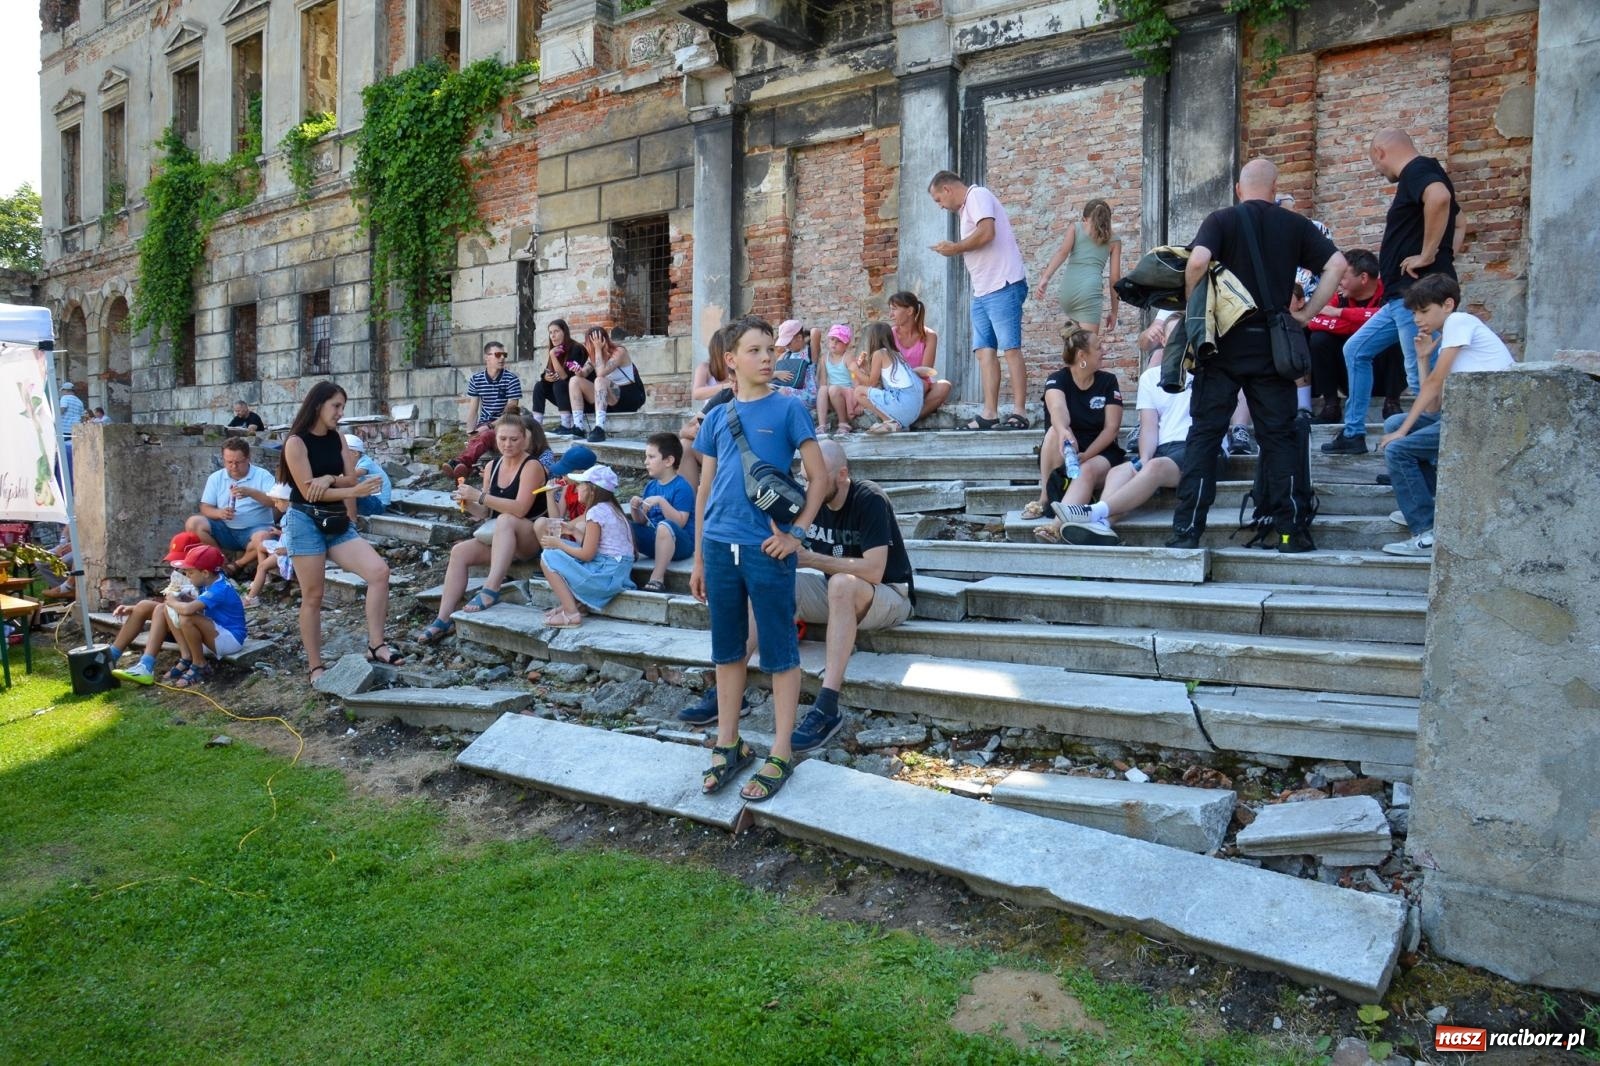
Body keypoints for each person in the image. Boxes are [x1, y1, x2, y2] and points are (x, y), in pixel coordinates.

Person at [1170, 158, 1347, 552]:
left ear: (1238, 189)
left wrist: (1192, 309)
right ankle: (1289, 532)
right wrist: (1305, 315)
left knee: (1204, 436)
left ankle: (1186, 533)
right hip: (1273, 347)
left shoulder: (1221, 219)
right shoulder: (1295, 224)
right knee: (1279, 438)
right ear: (1274, 187)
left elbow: (1197, 261)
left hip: (1222, 347)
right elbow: (1338, 264)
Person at [690, 315, 830, 803]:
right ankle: (728, 744)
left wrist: (796, 535)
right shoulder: (715, 417)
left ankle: (781, 751)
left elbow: (821, 478)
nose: (768, 358)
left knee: (779, 651)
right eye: (756, 350)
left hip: (768, 548)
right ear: (731, 361)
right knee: (727, 651)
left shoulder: (790, 409)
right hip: (718, 546)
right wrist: (700, 558)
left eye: (771, 349)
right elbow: (705, 487)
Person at [1325, 129, 1461, 455]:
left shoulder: (1416, 170)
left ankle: (1419, 454)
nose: (1377, 170)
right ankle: (1354, 433)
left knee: (1419, 376)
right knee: (1356, 350)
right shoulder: (1427, 171)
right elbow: (1461, 221)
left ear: (1380, 152)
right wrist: (1445, 256)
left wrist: (1429, 255)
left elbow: (1440, 199)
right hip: (1399, 299)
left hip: (1414, 298)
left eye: (1374, 162)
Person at [1377, 274, 1513, 557]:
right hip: (1462, 415)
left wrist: (1402, 434)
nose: (1417, 319)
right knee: (1394, 422)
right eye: (1414, 312)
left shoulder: (1459, 322)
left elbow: (1434, 385)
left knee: (1399, 447)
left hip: (1485, 419)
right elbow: (1432, 407)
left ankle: (1426, 532)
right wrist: (1424, 357)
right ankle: (1424, 503)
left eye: (1424, 311)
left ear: (1448, 304)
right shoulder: (1450, 336)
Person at [278, 380, 400, 683]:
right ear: (318, 405)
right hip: (305, 520)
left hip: (335, 521)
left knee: (379, 572)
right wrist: (349, 488)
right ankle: (316, 666)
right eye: (336, 406)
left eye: (342, 407)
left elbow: (346, 479)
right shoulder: (296, 442)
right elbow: (308, 494)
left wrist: (331, 479)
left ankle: (376, 645)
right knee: (313, 596)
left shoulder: (338, 439)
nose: (340, 413)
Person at [1049, 317, 1194, 545]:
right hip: (1163, 450)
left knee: (1153, 467)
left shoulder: (1207, 371)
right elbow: (1148, 428)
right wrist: (1144, 458)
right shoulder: (1150, 378)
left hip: (1194, 447)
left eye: (1185, 334)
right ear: (1164, 340)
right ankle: (1102, 526)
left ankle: (1093, 513)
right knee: (1120, 472)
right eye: (1175, 335)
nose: (1181, 340)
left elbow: (1112, 428)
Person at [417, 413, 549, 641]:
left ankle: (491, 589)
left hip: (529, 536)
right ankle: (443, 618)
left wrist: (480, 496)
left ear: (524, 439)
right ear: (495, 439)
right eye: (503, 439)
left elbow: (519, 509)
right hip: (501, 537)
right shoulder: (491, 466)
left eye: (514, 439)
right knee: (459, 551)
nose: (508, 444)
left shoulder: (532, 466)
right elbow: (486, 513)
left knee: (507, 519)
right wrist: (467, 503)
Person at [928, 171, 1029, 430]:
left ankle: (1019, 412)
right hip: (982, 290)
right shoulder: (965, 209)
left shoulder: (977, 195)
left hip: (1003, 284)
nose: (940, 206)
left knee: (1011, 349)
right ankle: (990, 413)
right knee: (984, 352)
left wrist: (955, 248)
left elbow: (987, 233)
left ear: (948, 189)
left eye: (938, 200)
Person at [1022, 327, 1125, 520]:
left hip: (1100, 452)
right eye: (1098, 347)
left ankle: (1064, 515)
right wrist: (1063, 431)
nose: (1104, 350)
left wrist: (1087, 455)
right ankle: (1045, 498)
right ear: (1081, 355)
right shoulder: (1057, 379)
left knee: (1087, 466)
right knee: (1054, 432)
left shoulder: (1108, 381)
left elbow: (1112, 429)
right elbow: (1058, 408)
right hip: (1065, 448)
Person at [111, 544, 247, 687]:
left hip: (229, 640)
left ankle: (199, 664)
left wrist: (173, 601)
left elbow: (189, 610)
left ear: (205, 573)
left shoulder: (219, 588)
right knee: (153, 607)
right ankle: (135, 661)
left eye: (190, 572)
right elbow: (199, 606)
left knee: (185, 616)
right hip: (213, 633)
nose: (186, 575)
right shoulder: (208, 580)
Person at [537, 465, 635, 627]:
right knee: (558, 551)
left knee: (549, 555)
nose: (576, 490)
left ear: (592, 490)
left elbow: (587, 554)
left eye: (580, 486)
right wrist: (573, 531)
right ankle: (576, 604)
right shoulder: (610, 509)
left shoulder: (595, 512)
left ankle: (571, 613)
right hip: (616, 572)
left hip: (606, 576)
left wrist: (558, 543)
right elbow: (596, 546)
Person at [102, 532, 202, 671]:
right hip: (176, 619)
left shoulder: (205, 575)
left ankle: (146, 664)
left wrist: (181, 600)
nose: (178, 566)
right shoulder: (178, 574)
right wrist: (133, 608)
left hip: (194, 626)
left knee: (161, 609)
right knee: (143, 606)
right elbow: (170, 596)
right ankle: (111, 656)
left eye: (181, 560)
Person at [184, 438, 279, 572]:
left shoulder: (262, 475)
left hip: (256, 529)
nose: (233, 467)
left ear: (247, 459)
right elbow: (205, 507)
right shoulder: (216, 477)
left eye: (238, 462)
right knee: (193, 523)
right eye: (229, 462)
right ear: (223, 459)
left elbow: (275, 502)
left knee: (264, 537)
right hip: (226, 529)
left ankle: (237, 565)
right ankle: (220, 561)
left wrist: (251, 492)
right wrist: (219, 513)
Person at [1038, 199, 1121, 338]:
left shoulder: (1075, 227)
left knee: (1074, 348)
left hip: (1068, 290)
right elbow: (1114, 278)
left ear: (1085, 218)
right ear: (1107, 219)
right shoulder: (1115, 240)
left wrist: (1045, 278)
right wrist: (1114, 311)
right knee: (1088, 349)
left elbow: (1062, 253)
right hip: (1089, 293)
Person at [442, 341, 523, 480]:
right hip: (484, 425)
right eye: (498, 355)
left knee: (487, 434)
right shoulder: (476, 379)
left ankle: (459, 463)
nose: (502, 358)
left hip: (506, 425)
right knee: (482, 436)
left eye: (504, 355)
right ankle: (464, 471)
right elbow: (473, 411)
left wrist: (489, 426)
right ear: (487, 357)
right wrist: (470, 432)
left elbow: (511, 415)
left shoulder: (512, 379)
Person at [630, 432, 695, 593]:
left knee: (665, 526)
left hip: (681, 545)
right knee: (625, 525)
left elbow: (680, 522)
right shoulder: (651, 487)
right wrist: (635, 508)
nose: (646, 462)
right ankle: (622, 569)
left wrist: (661, 501)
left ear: (668, 461)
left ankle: (657, 578)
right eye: (646, 457)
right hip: (656, 541)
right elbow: (642, 522)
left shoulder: (682, 487)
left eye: (651, 457)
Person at [568, 326, 645, 443]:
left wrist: (598, 349)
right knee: (574, 380)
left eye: (590, 342)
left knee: (599, 380)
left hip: (629, 397)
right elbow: (584, 373)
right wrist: (578, 371)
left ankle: (599, 428)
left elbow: (600, 373)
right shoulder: (594, 357)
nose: (588, 346)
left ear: (602, 340)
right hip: (610, 399)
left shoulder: (619, 352)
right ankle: (578, 427)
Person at [887, 290, 951, 423]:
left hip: (920, 386)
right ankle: (904, 417)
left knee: (944, 386)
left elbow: (926, 370)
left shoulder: (930, 336)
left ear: (909, 311)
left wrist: (910, 375)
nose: (890, 314)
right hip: (897, 386)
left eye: (894, 309)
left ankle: (909, 419)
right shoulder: (890, 334)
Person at [853, 322, 923, 436]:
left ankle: (890, 422)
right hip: (914, 409)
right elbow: (880, 380)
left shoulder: (879, 354)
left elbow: (871, 382)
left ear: (872, 339)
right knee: (870, 391)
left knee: (858, 392)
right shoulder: (896, 354)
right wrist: (865, 367)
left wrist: (855, 370)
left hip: (903, 402)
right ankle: (897, 423)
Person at [528, 320, 589, 436]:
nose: (553, 335)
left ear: (564, 332)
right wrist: (546, 377)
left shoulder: (577, 348)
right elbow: (547, 372)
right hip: (563, 397)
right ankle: (537, 425)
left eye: (556, 331)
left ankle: (565, 424)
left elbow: (565, 376)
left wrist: (552, 356)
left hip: (579, 399)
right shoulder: (556, 350)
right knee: (539, 386)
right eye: (550, 332)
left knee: (559, 383)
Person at [816, 324, 858, 436]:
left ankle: (843, 423)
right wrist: (823, 393)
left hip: (846, 393)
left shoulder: (848, 357)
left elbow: (854, 376)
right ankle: (822, 425)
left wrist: (856, 393)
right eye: (832, 339)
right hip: (832, 394)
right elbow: (823, 381)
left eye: (838, 341)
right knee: (823, 389)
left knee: (833, 389)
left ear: (846, 344)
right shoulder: (824, 358)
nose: (834, 343)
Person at [773, 320, 822, 414]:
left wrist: (800, 330)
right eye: (785, 344)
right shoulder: (786, 355)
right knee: (768, 389)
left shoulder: (810, 352)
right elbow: (771, 375)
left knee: (782, 392)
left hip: (807, 394)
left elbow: (815, 331)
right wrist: (776, 374)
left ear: (799, 337)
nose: (786, 346)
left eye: (788, 343)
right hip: (788, 390)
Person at [344, 433, 392, 517]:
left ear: (355, 453)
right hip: (371, 500)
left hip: (378, 504)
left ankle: (351, 517)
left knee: (348, 487)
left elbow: (354, 475)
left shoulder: (366, 462)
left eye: (343, 452)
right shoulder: (352, 464)